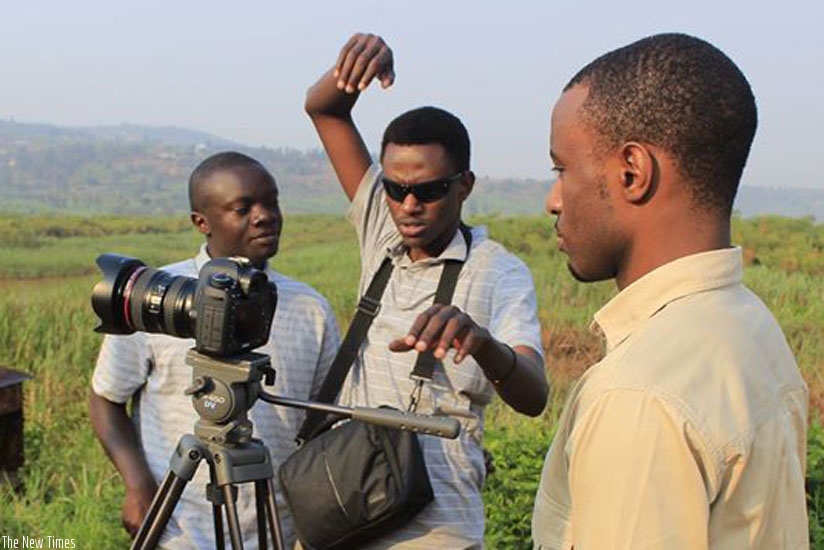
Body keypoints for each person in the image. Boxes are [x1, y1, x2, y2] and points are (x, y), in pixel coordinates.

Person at [531, 33, 808, 549]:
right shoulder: (748, 322)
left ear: (632, 173)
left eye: (561, 169)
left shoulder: (637, 394)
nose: (553, 199)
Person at [305, 33, 549, 548]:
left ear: (465, 186)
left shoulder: (498, 271)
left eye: (430, 190)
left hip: (438, 526)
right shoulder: (382, 231)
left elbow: (534, 394)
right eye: (395, 189)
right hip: (349, 505)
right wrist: (357, 65)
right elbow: (325, 110)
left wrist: (481, 343)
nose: (409, 205)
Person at [89, 151, 340, 549]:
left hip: (275, 526)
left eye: (271, 202)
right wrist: (137, 486)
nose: (264, 216)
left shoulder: (310, 308)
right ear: (201, 222)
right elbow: (105, 398)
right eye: (243, 208)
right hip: (176, 529)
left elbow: (324, 421)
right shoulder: (156, 300)